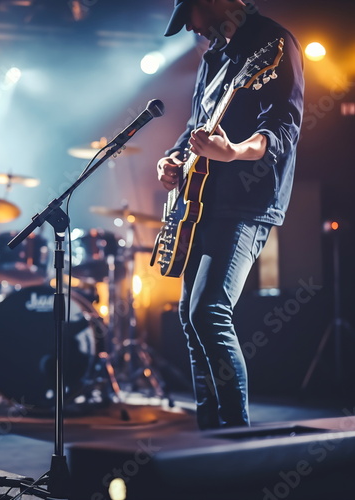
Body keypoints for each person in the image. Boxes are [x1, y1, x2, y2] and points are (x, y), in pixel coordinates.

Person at [157, 0, 304, 428]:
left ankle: (236, 442)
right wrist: (171, 160)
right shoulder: (215, 55)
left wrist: (235, 152)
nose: (192, 30)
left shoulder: (273, 42)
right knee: (189, 316)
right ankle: (209, 438)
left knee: (209, 311)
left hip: (247, 202)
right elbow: (195, 126)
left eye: (193, 18)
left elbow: (284, 128)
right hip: (201, 198)